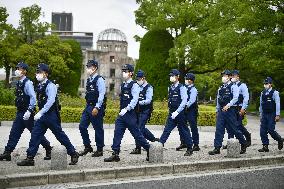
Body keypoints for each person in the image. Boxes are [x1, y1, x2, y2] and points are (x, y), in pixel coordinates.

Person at [17, 63, 79, 166]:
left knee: (60, 135)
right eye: (37, 72)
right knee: (35, 135)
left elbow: (50, 101)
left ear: (46, 73)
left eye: (40, 72)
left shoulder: (51, 86)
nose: (37, 74)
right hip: (42, 116)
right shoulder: (40, 85)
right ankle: (30, 158)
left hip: (51, 115)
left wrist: (40, 112)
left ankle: (73, 153)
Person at [0, 62, 52, 161]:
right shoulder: (19, 82)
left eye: (19, 68)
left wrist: (29, 110)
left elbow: (33, 98)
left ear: (24, 71)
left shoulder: (28, 83)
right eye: (17, 68)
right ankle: (7, 152)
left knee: (36, 133)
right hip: (20, 113)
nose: (17, 70)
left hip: (28, 113)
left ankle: (48, 148)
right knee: (14, 133)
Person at [104, 64, 150, 162]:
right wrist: (122, 110)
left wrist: (127, 108)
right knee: (117, 132)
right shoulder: (123, 85)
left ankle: (149, 149)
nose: (123, 73)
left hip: (130, 114)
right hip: (122, 114)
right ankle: (115, 153)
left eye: (126, 71)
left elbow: (135, 100)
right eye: (123, 71)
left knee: (137, 134)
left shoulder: (135, 85)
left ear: (131, 73)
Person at [208, 70, 247, 155]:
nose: (223, 77)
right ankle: (217, 148)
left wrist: (228, 105)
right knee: (219, 129)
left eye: (225, 75)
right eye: (223, 76)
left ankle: (243, 143)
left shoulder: (234, 86)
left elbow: (236, 98)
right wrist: (217, 110)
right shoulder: (220, 88)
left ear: (230, 77)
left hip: (230, 111)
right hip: (222, 111)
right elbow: (218, 99)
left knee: (234, 129)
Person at [159, 69, 193, 156]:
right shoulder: (170, 87)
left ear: (178, 77)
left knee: (183, 130)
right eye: (170, 76)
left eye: (173, 76)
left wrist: (177, 111)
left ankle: (189, 148)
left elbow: (184, 100)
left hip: (180, 112)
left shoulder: (182, 87)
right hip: (172, 112)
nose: (171, 77)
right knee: (167, 129)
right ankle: (159, 145)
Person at [78, 59, 106, 157]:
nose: (88, 69)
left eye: (89, 67)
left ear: (94, 68)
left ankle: (99, 149)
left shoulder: (99, 79)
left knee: (98, 128)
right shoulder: (89, 80)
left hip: (96, 107)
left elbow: (102, 94)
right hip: (88, 106)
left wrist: (97, 107)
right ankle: (87, 146)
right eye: (87, 67)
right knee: (82, 126)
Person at [130, 70, 158, 155]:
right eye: (137, 79)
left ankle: (138, 148)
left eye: (139, 79)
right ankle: (154, 140)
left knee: (139, 129)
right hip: (137, 111)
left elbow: (149, 100)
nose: (138, 80)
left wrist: (139, 102)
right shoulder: (136, 86)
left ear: (143, 78)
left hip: (145, 111)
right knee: (139, 127)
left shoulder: (149, 87)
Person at [224, 70, 251, 148]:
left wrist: (243, 108)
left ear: (238, 77)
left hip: (239, 107)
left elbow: (246, 97)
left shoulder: (242, 85)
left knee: (238, 126)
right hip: (232, 108)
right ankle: (231, 142)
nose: (232, 77)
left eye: (234, 76)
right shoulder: (230, 85)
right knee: (230, 126)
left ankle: (245, 140)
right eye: (231, 76)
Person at [258, 77, 283, 152]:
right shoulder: (262, 93)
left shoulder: (275, 93)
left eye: (267, 83)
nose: (265, 85)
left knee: (271, 130)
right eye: (265, 83)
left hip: (272, 114)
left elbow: (278, 103)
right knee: (262, 131)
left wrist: (277, 115)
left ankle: (279, 139)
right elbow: (261, 104)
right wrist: (261, 114)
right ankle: (265, 146)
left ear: (270, 84)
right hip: (264, 114)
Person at [176, 73, 200, 151]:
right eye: (186, 78)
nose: (186, 80)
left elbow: (191, 101)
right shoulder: (184, 88)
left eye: (188, 79)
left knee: (193, 127)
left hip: (191, 110)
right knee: (181, 126)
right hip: (184, 110)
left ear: (191, 80)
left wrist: (184, 106)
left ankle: (196, 144)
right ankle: (184, 142)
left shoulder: (193, 90)